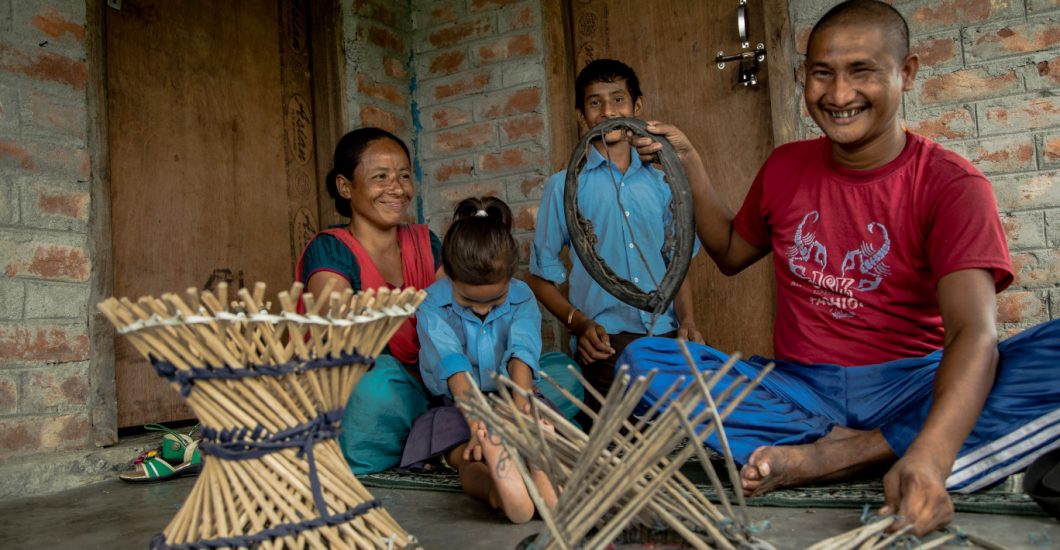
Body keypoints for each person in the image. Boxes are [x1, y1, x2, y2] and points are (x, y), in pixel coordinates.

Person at [625, 0, 1060, 537]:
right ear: (802, 77)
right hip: (801, 393)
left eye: (862, 71)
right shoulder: (785, 166)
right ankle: (884, 443)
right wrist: (687, 160)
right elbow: (732, 252)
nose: (838, 94)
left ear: (906, 73)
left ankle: (855, 453)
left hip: (913, 384)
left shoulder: (951, 185)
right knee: (643, 361)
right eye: (821, 73)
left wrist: (930, 458)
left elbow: (974, 333)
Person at [528, 58, 702, 421]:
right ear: (581, 115)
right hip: (604, 344)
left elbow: (677, 265)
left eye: (618, 100)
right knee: (620, 444)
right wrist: (579, 324)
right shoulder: (563, 187)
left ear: (636, 107)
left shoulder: (663, 181)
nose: (608, 111)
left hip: (667, 336)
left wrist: (687, 320)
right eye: (595, 103)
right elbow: (541, 279)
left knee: (686, 433)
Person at [405, 196, 563, 523]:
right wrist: (478, 424)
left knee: (553, 436)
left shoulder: (522, 296)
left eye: (495, 299)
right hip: (459, 404)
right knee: (468, 457)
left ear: (511, 277)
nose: (481, 309)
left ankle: (541, 470)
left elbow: (523, 352)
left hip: (516, 397)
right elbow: (453, 366)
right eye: (469, 300)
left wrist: (521, 413)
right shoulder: (431, 303)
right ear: (447, 274)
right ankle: (500, 490)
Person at [295, 127, 444, 474]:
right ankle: (443, 437)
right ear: (345, 187)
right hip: (374, 391)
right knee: (374, 387)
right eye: (381, 177)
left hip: (436, 384)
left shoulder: (426, 242)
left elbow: (454, 318)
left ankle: (435, 436)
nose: (397, 188)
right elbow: (344, 336)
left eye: (404, 176)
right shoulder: (331, 248)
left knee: (558, 372)